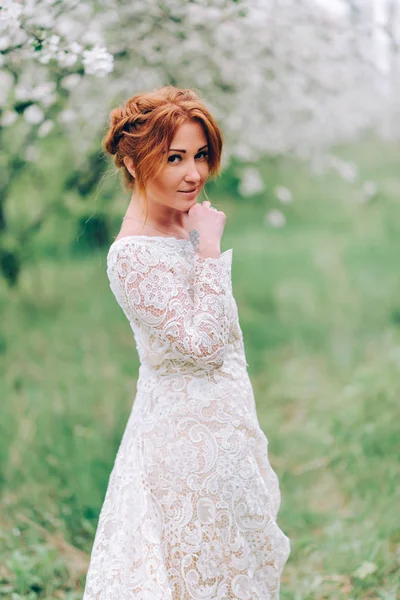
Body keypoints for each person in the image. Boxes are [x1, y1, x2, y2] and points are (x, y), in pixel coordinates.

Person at [82, 85, 290, 600]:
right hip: (181, 444)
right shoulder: (131, 257)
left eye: (200, 155)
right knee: (188, 573)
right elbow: (201, 346)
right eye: (174, 158)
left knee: (234, 565)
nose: (194, 173)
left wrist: (200, 245)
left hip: (224, 425)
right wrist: (211, 252)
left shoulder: (186, 228)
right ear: (133, 163)